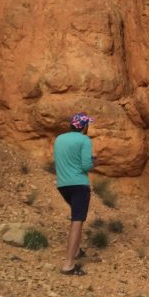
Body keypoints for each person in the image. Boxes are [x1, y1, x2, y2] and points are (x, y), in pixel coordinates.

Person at [53, 112, 96, 275]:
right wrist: (94, 161)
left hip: (63, 185)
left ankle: (76, 250)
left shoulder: (59, 139)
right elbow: (86, 166)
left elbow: (60, 160)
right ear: (84, 127)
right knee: (77, 220)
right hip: (79, 185)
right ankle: (69, 264)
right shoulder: (85, 140)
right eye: (87, 125)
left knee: (76, 215)